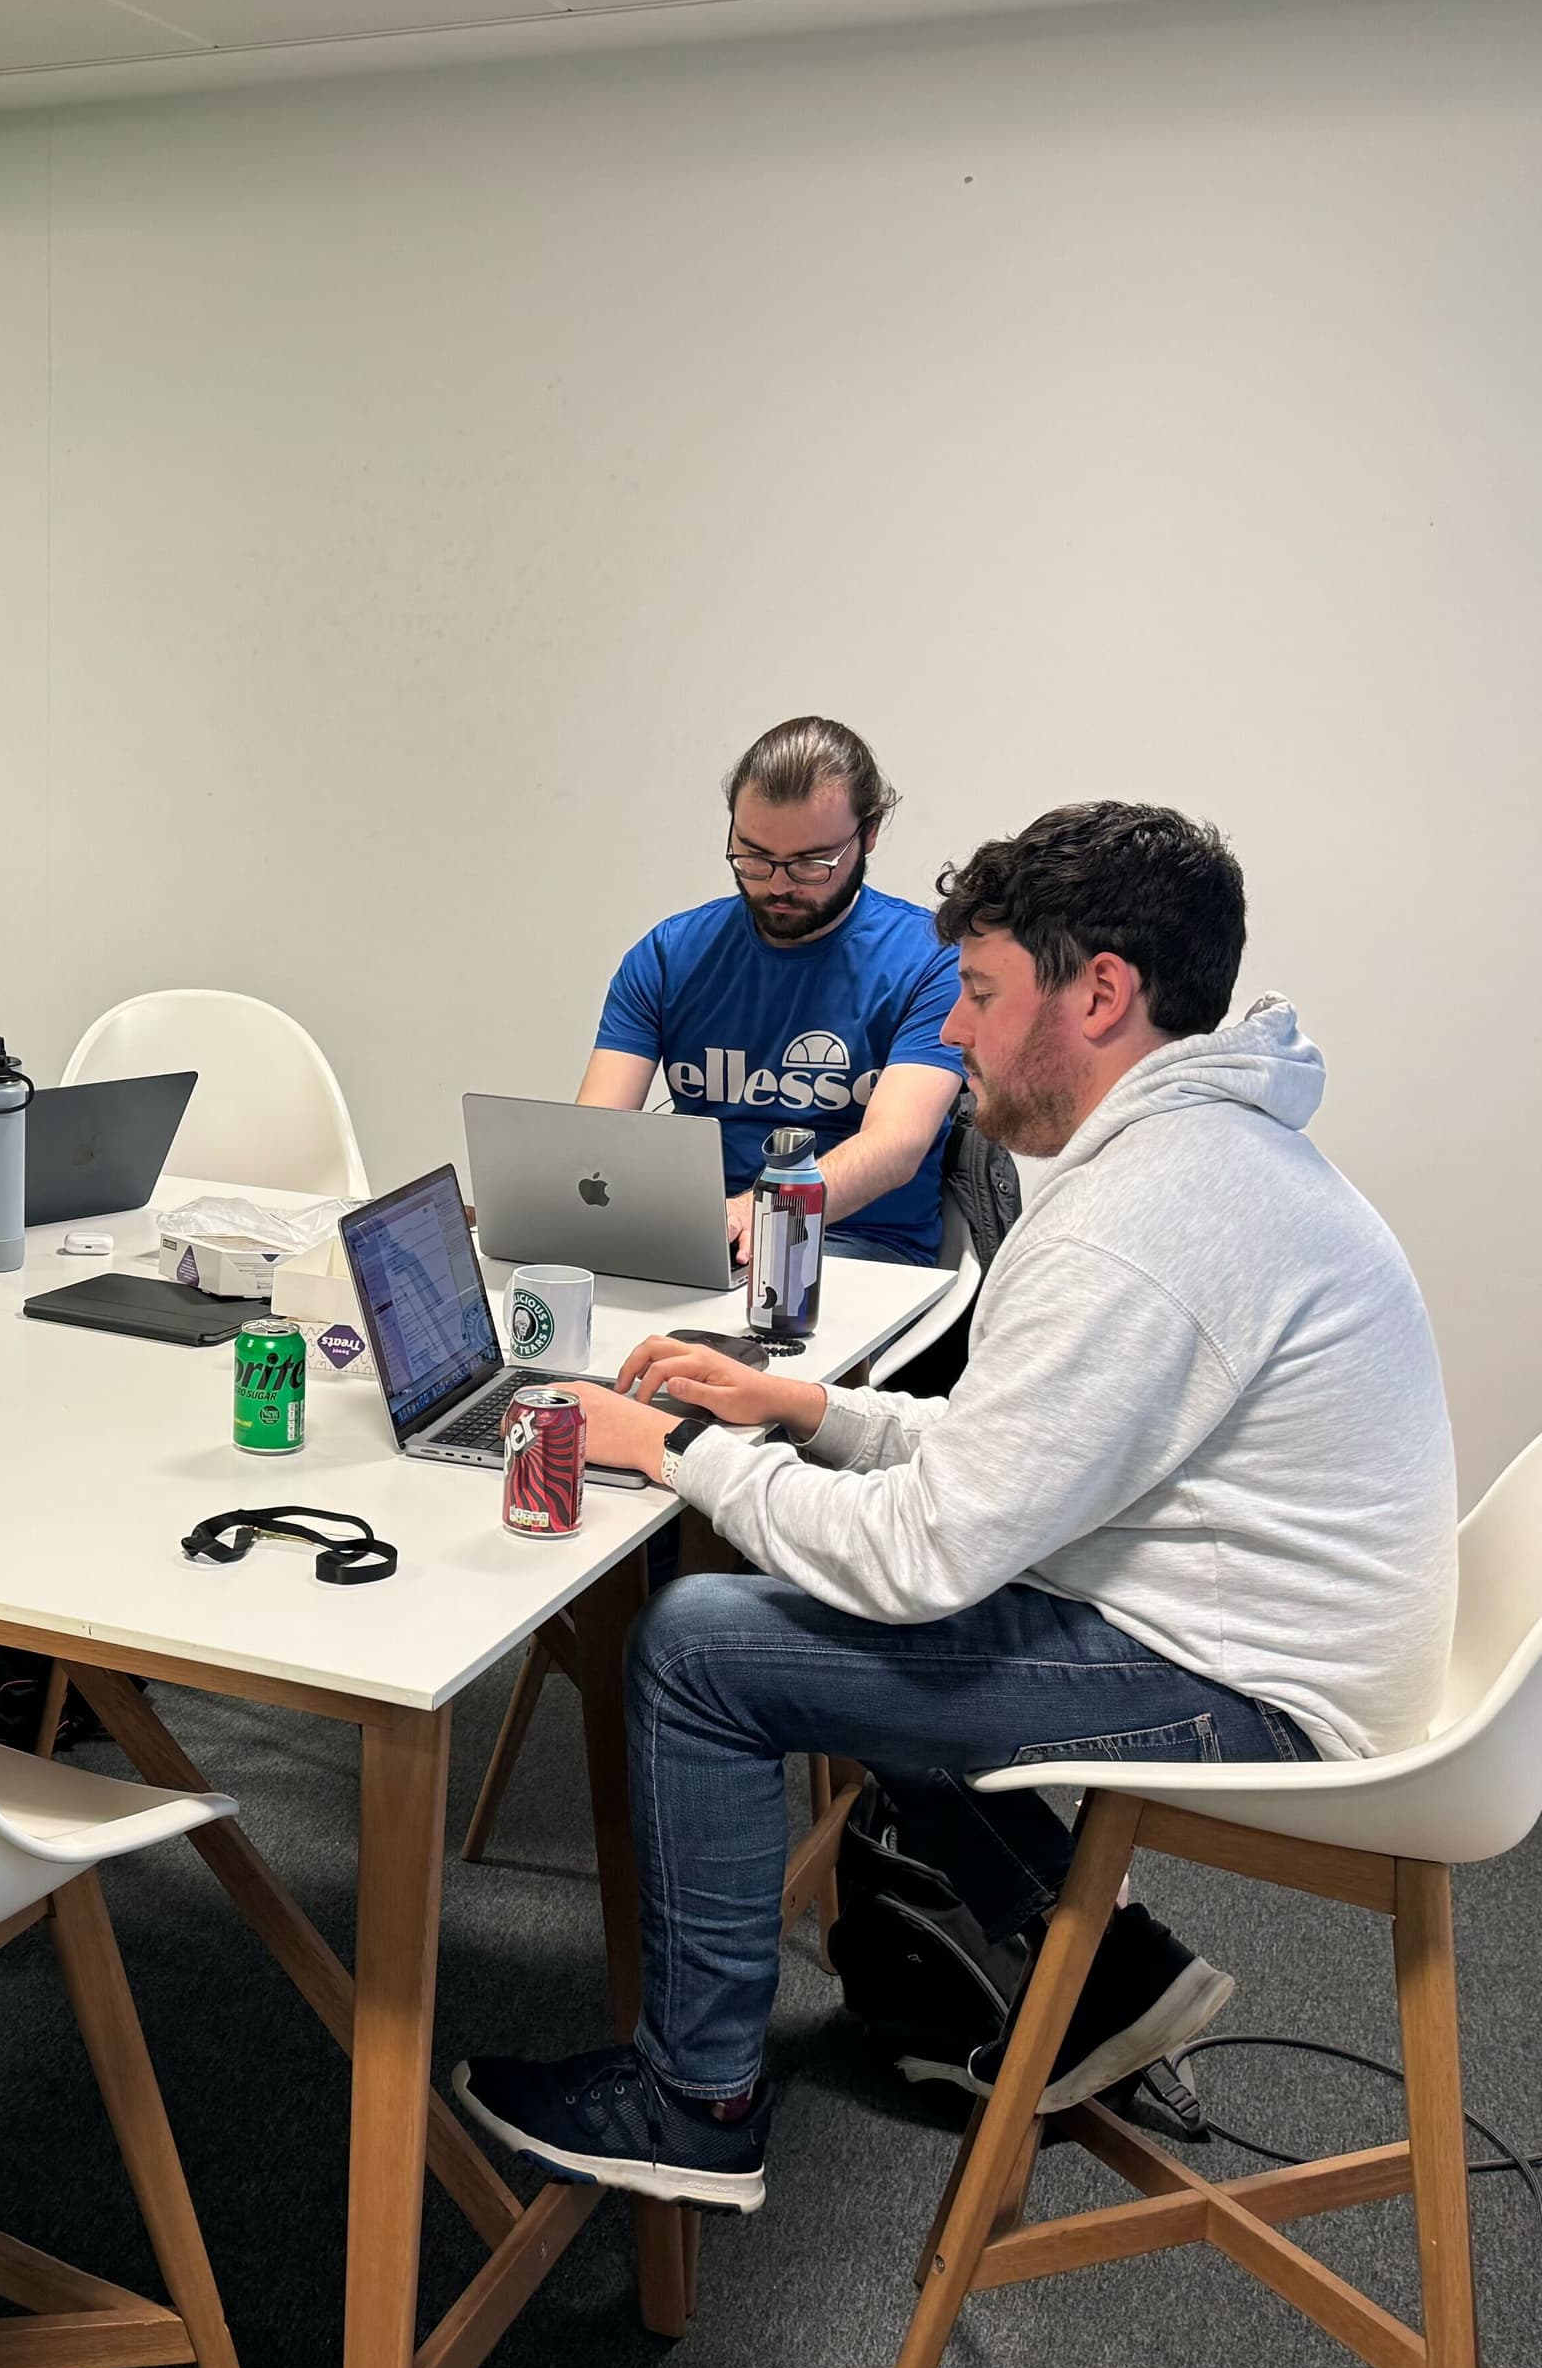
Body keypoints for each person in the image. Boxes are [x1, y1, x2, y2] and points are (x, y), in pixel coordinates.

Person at [458, 803, 1457, 2211]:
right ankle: (1105, 1970)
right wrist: (810, 1411)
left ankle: (693, 2104)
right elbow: (1016, 1457)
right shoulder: (1206, 1160)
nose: (958, 1034)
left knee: (702, 1649)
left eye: (982, 997)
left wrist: (675, 1449)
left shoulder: (1142, 1222)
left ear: (1099, 993)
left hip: (1256, 1690)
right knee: (859, 1627)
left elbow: (924, 1556)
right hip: (1270, 1629)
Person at [582, 716, 966, 1266]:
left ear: (870, 833)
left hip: (854, 1249)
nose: (778, 884)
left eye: (811, 863)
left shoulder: (932, 960)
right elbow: (595, 1136)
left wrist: (752, 1212)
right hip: (702, 1242)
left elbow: (895, 1147)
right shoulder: (669, 956)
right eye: (755, 856)